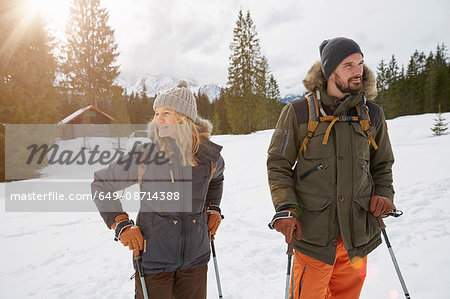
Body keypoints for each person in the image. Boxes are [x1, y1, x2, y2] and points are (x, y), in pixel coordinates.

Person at [267, 37, 395, 299]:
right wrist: (286, 207)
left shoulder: (372, 114)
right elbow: (278, 164)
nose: (358, 70)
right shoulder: (299, 112)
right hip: (313, 237)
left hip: (357, 237)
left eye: (360, 63)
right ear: (329, 70)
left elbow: (382, 164)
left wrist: (384, 194)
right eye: (348, 64)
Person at [91, 80, 224, 299]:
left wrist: (214, 208)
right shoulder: (145, 155)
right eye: (156, 113)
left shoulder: (208, 156)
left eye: (166, 113)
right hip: (154, 260)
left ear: (183, 118)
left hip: (196, 260)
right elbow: (101, 184)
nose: (157, 119)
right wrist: (121, 224)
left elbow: (217, 179)